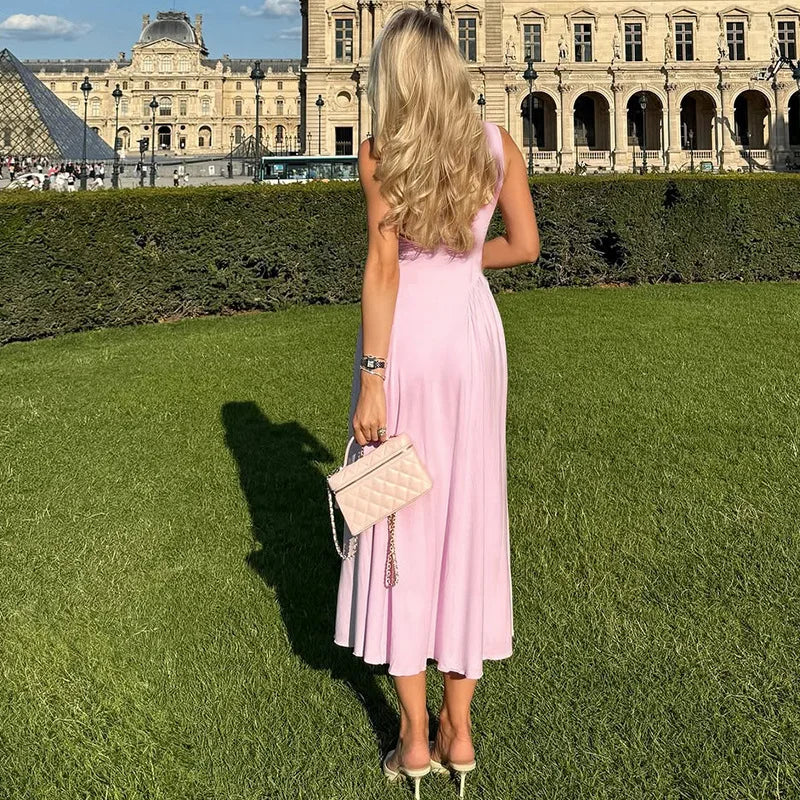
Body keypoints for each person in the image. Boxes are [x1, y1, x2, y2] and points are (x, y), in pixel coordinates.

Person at [332, 7, 540, 798]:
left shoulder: (382, 154)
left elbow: (383, 269)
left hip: (409, 343)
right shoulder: (497, 145)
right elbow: (523, 245)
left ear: (396, 77)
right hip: (473, 337)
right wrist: (461, 261)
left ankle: (413, 740)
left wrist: (375, 374)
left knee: (398, 521)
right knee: (468, 517)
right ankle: (463, 732)